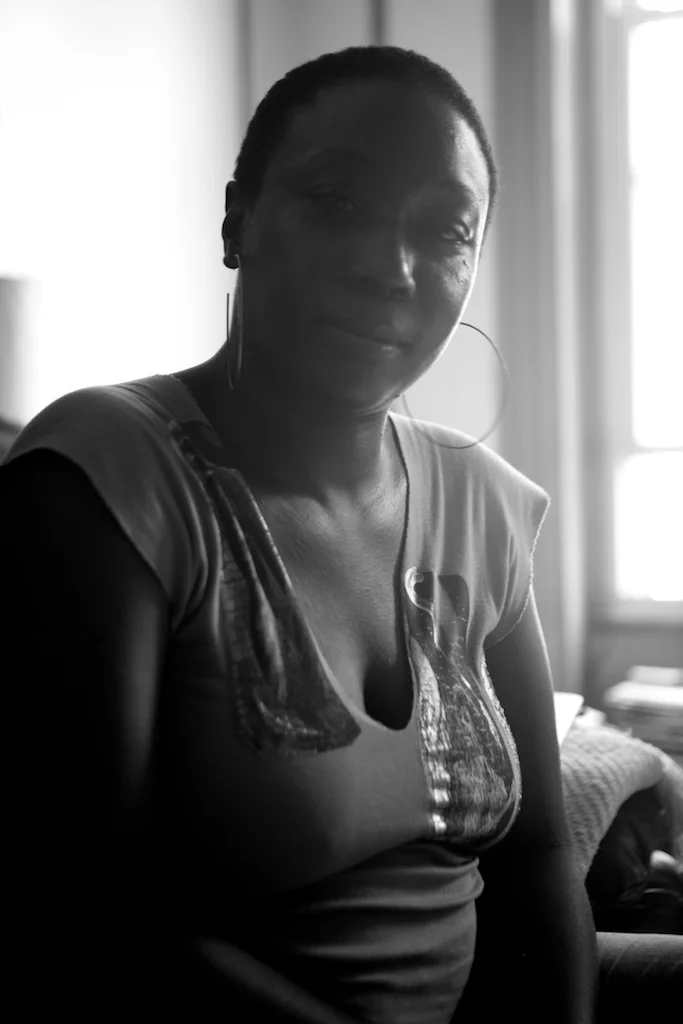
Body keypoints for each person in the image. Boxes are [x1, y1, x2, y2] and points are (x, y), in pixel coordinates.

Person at [2, 45, 680, 1024]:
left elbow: (534, 856)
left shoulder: (479, 500)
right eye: (336, 201)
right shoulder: (109, 473)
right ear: (237, 220)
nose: (389, 267)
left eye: (444, 230)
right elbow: (84, 914)